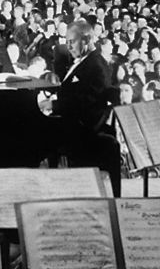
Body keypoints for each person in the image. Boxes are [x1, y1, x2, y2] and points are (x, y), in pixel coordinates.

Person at [41, 18, 121, 194]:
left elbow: (86, 101)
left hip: (84, 128)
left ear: (86, 40)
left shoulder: (96, 65)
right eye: (67, 42)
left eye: (72, 41)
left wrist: (54, 105)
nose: (68, 46)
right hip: (77, 122)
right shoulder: (86, 61)